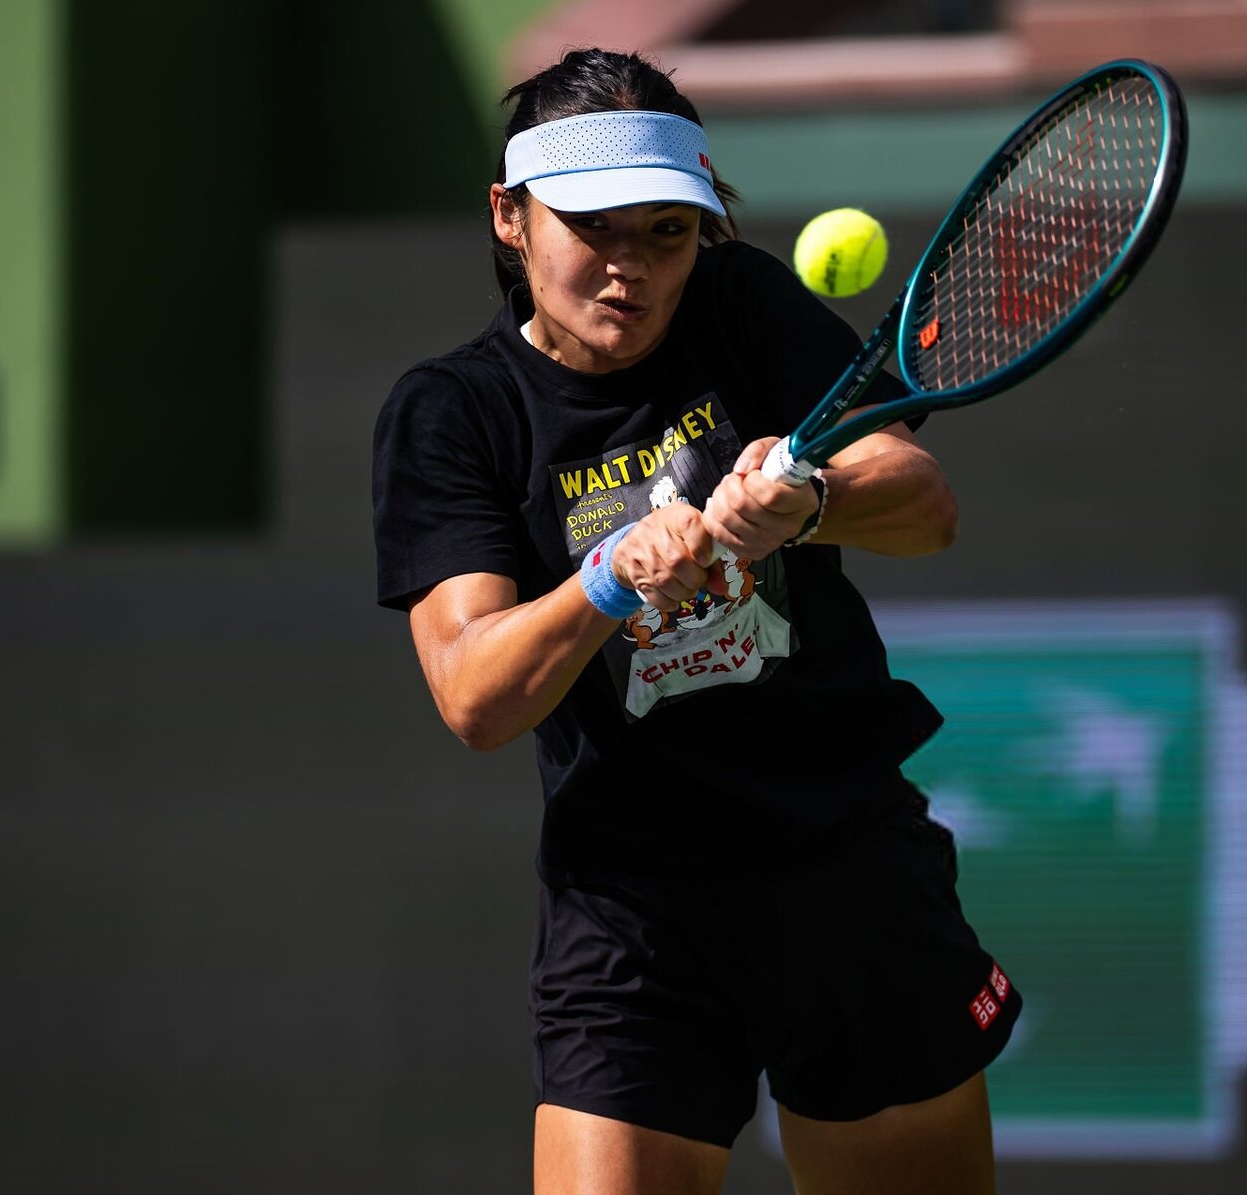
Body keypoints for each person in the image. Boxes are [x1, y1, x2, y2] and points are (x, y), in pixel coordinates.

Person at [372, 48, 1020, 1195]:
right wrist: (609, 577)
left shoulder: (743, 303)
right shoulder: (455, 412)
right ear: (510, 218)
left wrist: (808, 505)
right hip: (630, 912)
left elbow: (925, 507)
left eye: (666, 232)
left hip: (845, 866)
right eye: (593, 228)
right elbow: (474, 693)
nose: (630, 267)